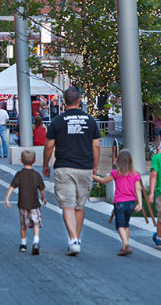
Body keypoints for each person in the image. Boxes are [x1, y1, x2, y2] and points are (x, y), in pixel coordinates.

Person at [42, 87, 100, 256]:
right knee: (79, 205)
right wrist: (95, 165)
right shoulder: (90, 120)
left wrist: (46, 164)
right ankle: (77, 238)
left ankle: (73, 239)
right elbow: (96, 145)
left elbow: (49, 145)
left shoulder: (58, 121)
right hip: (85, 166)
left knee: (67, 204)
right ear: (79, 100)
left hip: (64, 166)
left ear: (64, 102)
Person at [92, 149, 141, 256]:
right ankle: (124, 247)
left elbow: (103, 181)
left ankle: (126, 243)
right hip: (131, 202)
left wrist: (93, 177)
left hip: (119, 203)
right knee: (126, 224)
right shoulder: (135, 174)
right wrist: (140, 203)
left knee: (119, 225)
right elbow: (137, 188)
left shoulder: (115, 173)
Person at [5, 150, 46, 255]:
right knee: (36, 223)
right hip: (34, 204)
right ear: (35, 161)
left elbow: (12, 186)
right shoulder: (37, 175)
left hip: (22, 204)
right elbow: (41, 188)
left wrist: (7, 198)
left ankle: (23, 244)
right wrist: (43, 197)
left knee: (23, 225)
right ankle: (36, 242)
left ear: (20, 160)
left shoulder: (19, 174)